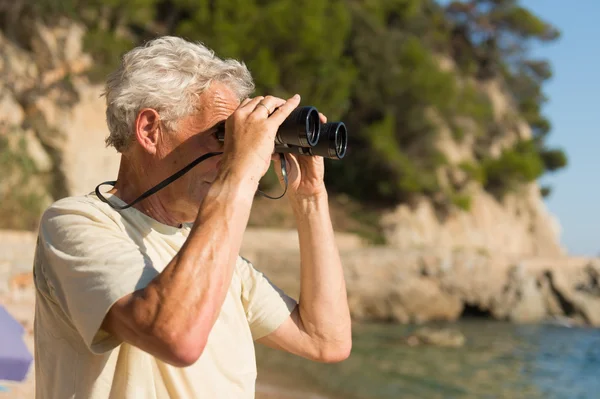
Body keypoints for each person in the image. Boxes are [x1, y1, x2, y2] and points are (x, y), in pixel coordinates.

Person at [32, 36, 352, 398]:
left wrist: (310, 197)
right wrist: (239, 172)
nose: (233, 151)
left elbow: (326, 339)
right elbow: (174, 337)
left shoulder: (211, 252)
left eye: (235, 138)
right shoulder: (78, 223)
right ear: (151, 131)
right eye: (222, 135)